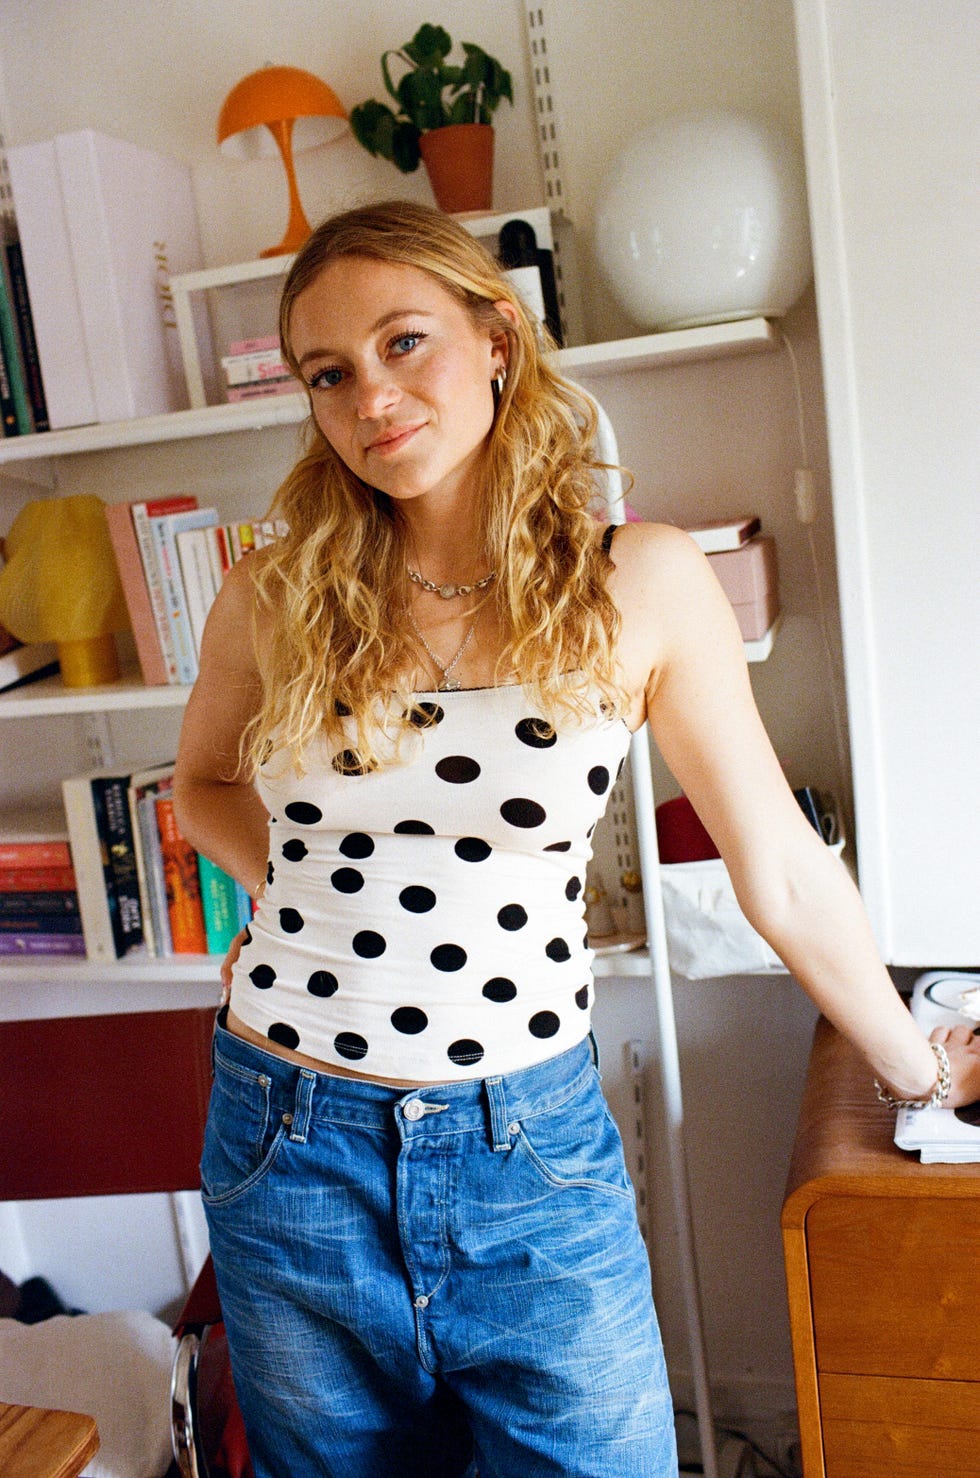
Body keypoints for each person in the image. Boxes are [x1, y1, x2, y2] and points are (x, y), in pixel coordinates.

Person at [173, 199, 980, 1478]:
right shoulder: (270, 591)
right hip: (286, 1137)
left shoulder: (639, 581)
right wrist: (308, 899)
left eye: (402, 343)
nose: (369, 398)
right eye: (329, 374)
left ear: (496, 337)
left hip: (525, 1143)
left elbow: (775, 861)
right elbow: (201, 784)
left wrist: (921, 1073)